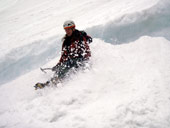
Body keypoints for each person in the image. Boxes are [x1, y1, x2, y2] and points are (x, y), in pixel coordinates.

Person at [34, 20, 92, 89]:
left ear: (73, 29)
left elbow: (87, 49)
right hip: (73, 61)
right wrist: (58, 65)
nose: (67, 31)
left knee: (68, 63)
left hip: (83, 60)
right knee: (63, 66)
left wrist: (86, 60)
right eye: (66, 30)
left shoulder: (79, 37)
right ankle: (52, 81)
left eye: (68, 29)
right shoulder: (66, 41)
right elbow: (64, 55)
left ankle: (54, 81)